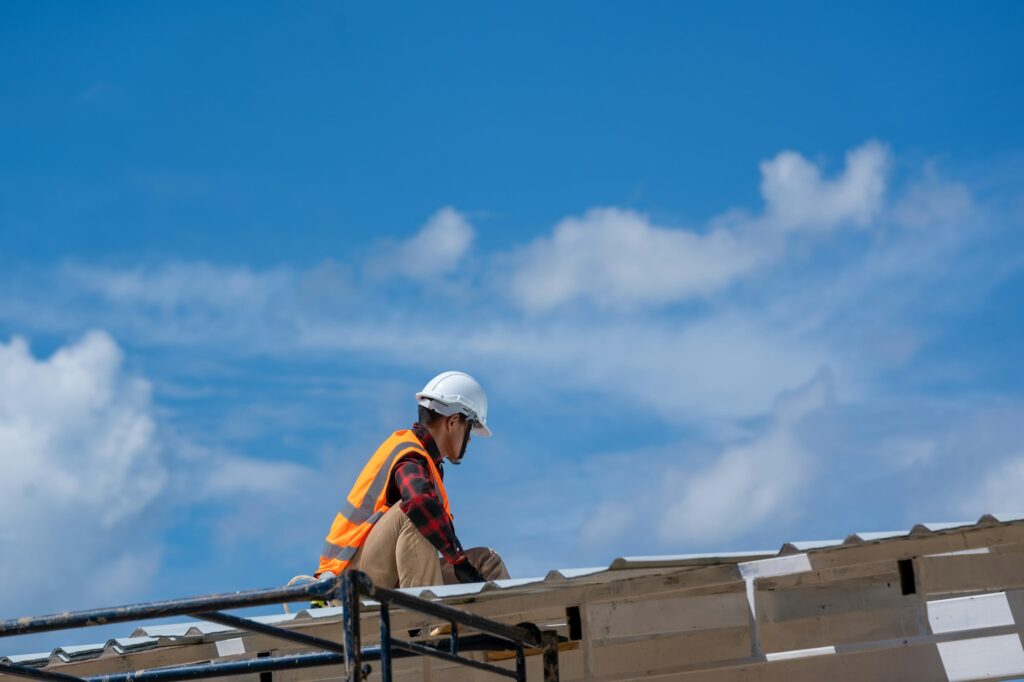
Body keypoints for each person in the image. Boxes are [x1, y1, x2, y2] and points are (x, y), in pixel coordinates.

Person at [315, 371, 508, 588]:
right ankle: (427, 620)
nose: (470, 439)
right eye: (470, 427)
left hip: (390, 574)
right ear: (453, 422)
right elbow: (418, 504)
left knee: (486, 563)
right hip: (350, 580)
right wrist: (458, 561)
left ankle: (518, 622)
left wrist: (463, 564)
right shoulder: (409, 455)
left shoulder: (427, 464)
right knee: (419, 513)